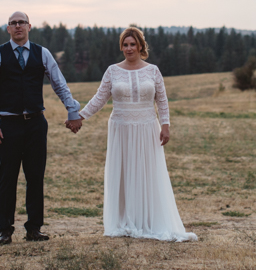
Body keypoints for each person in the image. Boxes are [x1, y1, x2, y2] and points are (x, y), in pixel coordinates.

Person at [71, 26, 196, 242]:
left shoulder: (153, 71)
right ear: (121, 47)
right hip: (121, 128)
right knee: (124, 173)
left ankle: (147, 219)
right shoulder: (112, 71)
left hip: (148, 127)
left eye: (132, 44)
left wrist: (165, 125)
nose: (129, 48)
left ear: (140, 46)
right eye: (125, 45)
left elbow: (162, 100)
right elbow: (100, 98)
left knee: (147, 172)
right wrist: (80, 117)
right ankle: (125, 220)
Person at [0, 11, 83, 245]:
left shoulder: (42, 53)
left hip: (36, 123)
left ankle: (34, 228)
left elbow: (59, 83)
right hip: (8, 124)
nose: (18, 26)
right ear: (8, 29)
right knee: (7, 177)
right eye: (13, 23)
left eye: (21, 23)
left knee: (36, 176)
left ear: (29, 26)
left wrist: (72, 110)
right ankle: (4, 230)